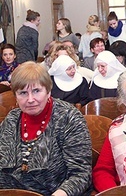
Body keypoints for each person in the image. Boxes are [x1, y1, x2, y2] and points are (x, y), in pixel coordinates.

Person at [0, 61, 92, 195]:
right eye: (23, 93)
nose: (30, 99)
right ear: (15, 96)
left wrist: (62, 193)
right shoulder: (12, 119)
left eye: (36, 91)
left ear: (48, 91)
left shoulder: (68, 118)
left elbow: (81, 174)